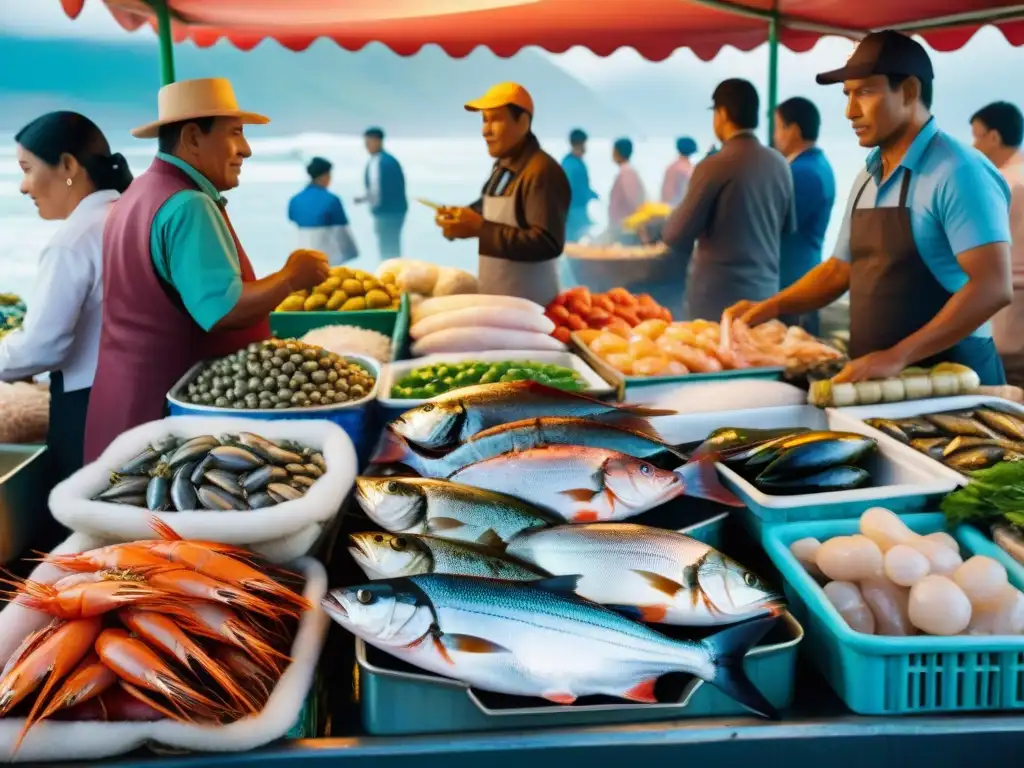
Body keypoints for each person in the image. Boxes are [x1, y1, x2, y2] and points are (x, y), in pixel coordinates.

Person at [732, 31, 1012, 386]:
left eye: (864, 92)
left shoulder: (959, 171)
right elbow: (838, 270)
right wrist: (769, 307)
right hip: (878, 384)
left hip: (955, 386)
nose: (850, 111)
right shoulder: (869, 174)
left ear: (909, 92)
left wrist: (896, 357)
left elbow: (992, 286)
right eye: (847, 95)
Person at [84, 78, 330, 461]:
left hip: (123, 408)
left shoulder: (137, 194)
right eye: (235, 134)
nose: (245, 150)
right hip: (173, 426)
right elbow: (224, 309)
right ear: (193, 137)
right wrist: (290, 276)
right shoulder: (188, 204)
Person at [2, 112, 132, 482]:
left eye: (27, 169)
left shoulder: (72, 241)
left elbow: (41, 348)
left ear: (68, 165)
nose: (24, 187)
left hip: (88, 409)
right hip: (134, 398)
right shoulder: (127, 217)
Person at [663, 79, 796, 321]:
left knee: (717, 359)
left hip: (717, 302)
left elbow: (675, 234)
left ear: (722, 113)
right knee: (759, 358)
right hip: (765, 296)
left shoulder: (714, 165)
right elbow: (788, 229)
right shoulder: (780, 164)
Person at [434, 82, 570, 307]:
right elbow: (487, 207)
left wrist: (479, 229)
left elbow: (547, 243)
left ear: (523, 122)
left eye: (495, 119)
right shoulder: (502, 166)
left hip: (533, 307)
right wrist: (459, 219)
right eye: (484, 120)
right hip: (497, 300)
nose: (486, 130)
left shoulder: (542, 172)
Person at [773, 97, 836, 335]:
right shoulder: (818, 164)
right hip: (804, 275)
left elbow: (777, 224)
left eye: (778, 127)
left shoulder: (802, 173)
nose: (775, 136)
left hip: (793, 283)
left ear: (793, 130)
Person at [971, 101, 1024, 387]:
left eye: (977, 135)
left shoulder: (1001, 182)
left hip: (1008, 307)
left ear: (994, 137)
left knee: (1008, 396)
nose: (974, 144)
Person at [288, 156, 358, 266]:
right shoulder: (332, 200)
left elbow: (294, 222)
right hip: (326, 257)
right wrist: (352, 254)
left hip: (299, 257)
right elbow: (342, 233)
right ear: (324, 176)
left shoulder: (294, 200)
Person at [355, 127, 407, 260]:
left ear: (377, 141)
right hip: (397, 210)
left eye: (368, 142)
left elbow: (375, 191)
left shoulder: (377, 161)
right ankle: (394, 275)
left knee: (387, 248)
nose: (366, 146)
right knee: (393, 246)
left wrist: (365, 200)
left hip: (386, 212)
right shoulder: (389, 159)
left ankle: (389, 277)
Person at [562, 128, 598, 242]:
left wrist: (591, 194)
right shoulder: (570, 164)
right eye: (584, 144)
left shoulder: (575, 162)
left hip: (579, 209)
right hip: (573, 212)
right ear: (579, 144)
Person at [608, 138, 646, 239]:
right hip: (623, 225)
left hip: (625, 228)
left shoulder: (626, 173)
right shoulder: (627, 172)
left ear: (617, 152)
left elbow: (633, 201)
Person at [661, 136, 698, 206]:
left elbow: (666, 193)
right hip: (682, 206)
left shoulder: (672, 168)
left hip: (677, 206)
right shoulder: (692, 169)